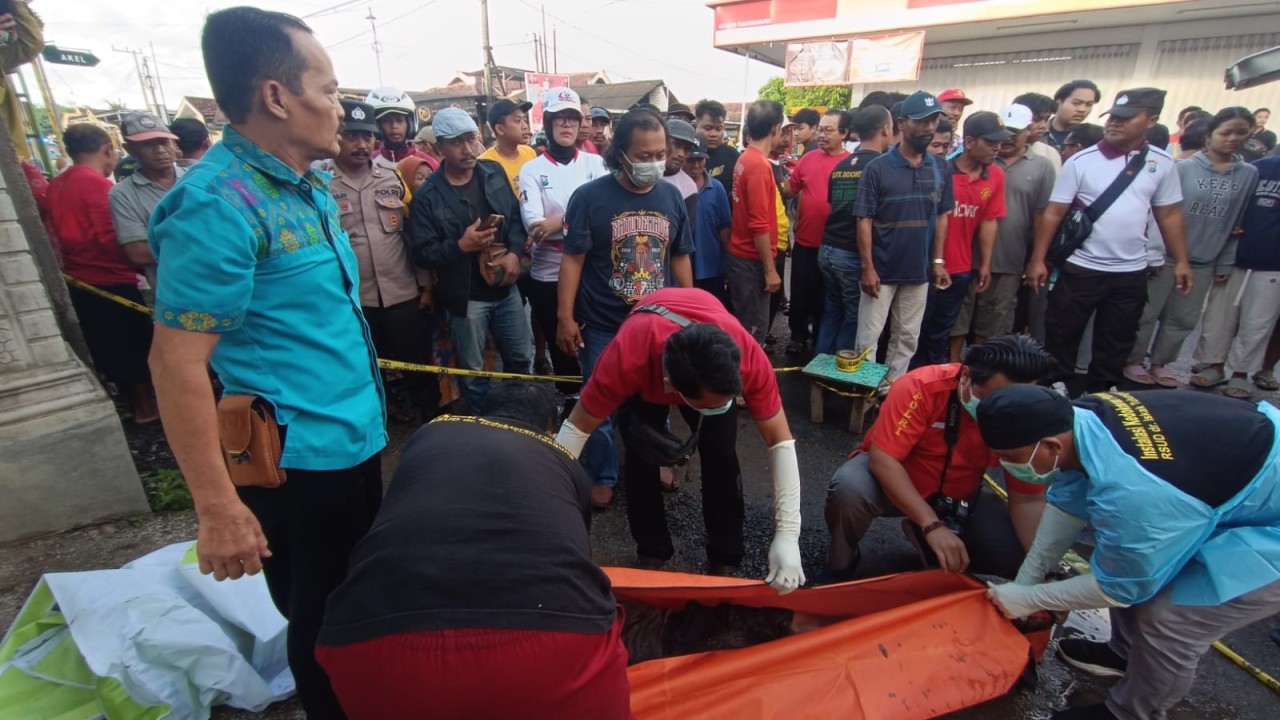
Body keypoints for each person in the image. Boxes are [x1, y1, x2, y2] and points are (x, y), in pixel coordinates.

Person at [147, 9, 387, 718]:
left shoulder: (305, 184)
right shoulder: (216, 205)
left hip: (354, 438)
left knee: (358, 606)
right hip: (300, 463)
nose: (340, 107)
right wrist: (217, 506)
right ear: (277, 96)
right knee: (321, 626)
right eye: (329, 88)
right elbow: (176, 364)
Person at [317, 382, 632, 720]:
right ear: (551, 430)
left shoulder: (428, 436)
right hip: (550, 641)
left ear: (481, 415)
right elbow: (574, 556)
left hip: (368, 642)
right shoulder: (563, 462)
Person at [978, 385, 1280, 720]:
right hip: (1227, 482)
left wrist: (1034, 598)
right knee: (1121, 555)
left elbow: (1121, 587)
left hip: (1266, 520)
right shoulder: (1080, 419)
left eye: (1010, 456)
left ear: (1050, 446)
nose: (1002, 464)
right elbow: (1068, 506)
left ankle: (1133, 711)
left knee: (1171, 618)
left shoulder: (1136, 495)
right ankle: (1123, 655)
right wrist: (1026, 582)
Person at [557, 287, 804, 589]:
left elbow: (780, 441)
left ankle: (725, 556)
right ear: (670, 386)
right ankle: (652, 551)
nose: (721, 406)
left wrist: (788, 535)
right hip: (649, 359)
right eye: (710, 404)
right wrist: (549, 516)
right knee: (641, 455)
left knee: (722, 458)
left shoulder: (746, 354)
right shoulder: (628, 355)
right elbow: (575, 430)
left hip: (700, 347)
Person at [823, 335, 1051, 582]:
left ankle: (936, 549)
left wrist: (1041, 571)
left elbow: (1028, 499)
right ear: (965, 376)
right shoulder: (920, 386)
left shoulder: (1026, 417)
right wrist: (930, 524)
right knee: (849, 489)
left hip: (959, 495)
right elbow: (883, 459)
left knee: (1011, 554)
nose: (1004, 412)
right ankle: (840, 566)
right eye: (994, 401)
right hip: (893, 482)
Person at [556, 106, 695, 509]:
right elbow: (573, 260)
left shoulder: (672, 195)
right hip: (603, 324)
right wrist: (565, 318)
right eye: (643, 155)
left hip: (659, 323)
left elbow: (681, 256)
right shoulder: (588, 198)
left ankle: (656, 460)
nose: (653, 163)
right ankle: (602, 473)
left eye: (659, 154)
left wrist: (690, 313)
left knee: (659, 396)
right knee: (598, 401)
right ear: (620, 154)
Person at [1024, 87, 1191, 395]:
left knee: (1117, 337)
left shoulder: (1161, 164)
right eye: (1113, 117)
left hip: (1130, 270)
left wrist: (1180, 259)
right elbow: (1054, 212)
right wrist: (1039, 258)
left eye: (1126, 118)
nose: (1115, 123)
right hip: (1082, 267)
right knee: (1062, 331)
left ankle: (1103, 392)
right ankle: (1057, 385)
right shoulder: (1082, 161)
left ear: (1151, 120)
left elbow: (1168, 214)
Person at [321, 99, 441, 423]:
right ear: (336, 135)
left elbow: (410, 236)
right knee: (364, 364)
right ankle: (378, 417)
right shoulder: (320, 182)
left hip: (401, 291)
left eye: (367, 136)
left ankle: (429, 419)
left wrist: (425, 286)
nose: (362, 144)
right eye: (352, 136)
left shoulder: (392, 177)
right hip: (355, 298)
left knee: (417, 361)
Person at [409, 107, 532, 414]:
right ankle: (482, 428)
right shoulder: (428, 195)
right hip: (465, 298)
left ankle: (523, 418)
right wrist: (460, 245)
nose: (468, 149)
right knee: (474, 371)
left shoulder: (492, 172)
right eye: (457, 142)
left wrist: (516, 253)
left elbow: (516, 219)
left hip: (505, 286)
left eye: (471, 139)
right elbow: (422, 252)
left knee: (520, 359)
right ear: (440, 148)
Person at [1127, 107, 1258, 390]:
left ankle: (1161, 363)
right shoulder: (1183, 168)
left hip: (1205, 260)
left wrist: (1224, 262)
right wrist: (1154, 253)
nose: (1232, 139)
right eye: (1226, 133)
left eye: (1241, 133)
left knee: (1182, 319)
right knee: (1147, 313)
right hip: (1167, 256)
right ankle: (1133, 360)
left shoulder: (1248, 174)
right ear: (1209, 136)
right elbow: (1161, 213)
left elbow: (1237, 221)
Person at [48, 123, 157, 423]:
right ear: (108, 150)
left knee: (108, 346)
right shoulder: (99, 187)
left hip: (80, 278)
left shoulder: (56, 184)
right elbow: (113, 239)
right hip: (110, 278)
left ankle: (135, 407)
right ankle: (146, 409)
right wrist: (142, 266)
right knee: (134, 345)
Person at [518, 87, 610, 397]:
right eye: (560, 119)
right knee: (563, 351)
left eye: (573, 118)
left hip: (592, 273)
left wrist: (559, 221)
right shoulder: (531, 169)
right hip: (548, 275)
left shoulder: (596, 165)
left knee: (596, 345)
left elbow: (607, 218)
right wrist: (581, 218)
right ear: (548, 124)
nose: (567, 125)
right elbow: (535, 226)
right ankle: (569, 411)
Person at [855, 91, 954, 379]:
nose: (928, 127)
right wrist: (868, 267)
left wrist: (937, 262)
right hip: (882, 271)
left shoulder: (939, 167)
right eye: (921, 121)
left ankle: (891, 393)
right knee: (868, 338)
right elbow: (864, 220)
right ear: (902, 123)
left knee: (907, 337)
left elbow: (942, 215)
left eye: (934, 120)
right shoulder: (877, 167)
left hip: (919, 272)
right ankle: (866, 394)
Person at [914, 111, 1008, 367]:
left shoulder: (997, 176)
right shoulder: (941, 171)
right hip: (925, 266)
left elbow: (989, 221)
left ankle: (931, 381)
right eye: (990, 142)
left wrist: (985, 264)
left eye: (999, 142)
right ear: (969, 142)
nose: (997, 148)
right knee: (915, 328)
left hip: (961, 269)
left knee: (942, 330)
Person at [965, 104, 1054, 346]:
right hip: (967, 257)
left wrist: (1037, 258)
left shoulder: (1042, 166)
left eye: (1016, 131)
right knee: (961, 321)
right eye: (1005, 131)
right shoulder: (979, 162)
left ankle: (982, 372)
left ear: (1029, 131)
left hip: (1010, 259)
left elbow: (1042, 216)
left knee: (994, 322)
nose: (1009, 138)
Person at [1192, 151, 1280, 396]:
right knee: (1218, 315)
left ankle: (1241, 373)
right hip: (1235, 255)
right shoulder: (1259, 168)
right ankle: (1215, 365)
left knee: (1258, 322)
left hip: (1274, 264)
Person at [815, 106, 891, 356]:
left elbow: (833, 205)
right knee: (852, 316)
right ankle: (838, 375)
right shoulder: (881, 167)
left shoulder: (842, 165)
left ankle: (819, 365)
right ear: (886, 130)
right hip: (850, 253)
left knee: (832, 310)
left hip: (827, 249)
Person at [781, 109, 850, 356]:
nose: (821, 135)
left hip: (834, 245)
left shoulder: (850, 163)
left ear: (844, 133)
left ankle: (822, 337)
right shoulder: (808, 160)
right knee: (800, 291)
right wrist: (776, 176)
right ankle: (797, 336)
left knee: (826, 296)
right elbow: (789, 190)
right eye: (820, 129)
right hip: (804, 241)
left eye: (828, 130)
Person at [725, 100, 784, 343]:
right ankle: (748, 380)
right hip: (751, 261)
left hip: (742, 257)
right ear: (775, 128)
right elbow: (759, 223)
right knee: (753, 334)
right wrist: (770, 270)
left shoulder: (746, 158)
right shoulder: (758, 165)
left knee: (745, 328)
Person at [109, 111, 184, 289]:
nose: (160, 150)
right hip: (176, 294)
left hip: (227, 285)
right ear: (130, 149)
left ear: (173, 143)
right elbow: (138, 253)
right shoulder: (122, 194)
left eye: (164, 142)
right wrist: (205, 243)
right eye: (147, 144)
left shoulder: (199, 178)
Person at [686, 138, 732, 305]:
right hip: (684, 267)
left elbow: (724, 228)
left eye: (700, 160)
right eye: (691, 160)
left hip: (712, 266)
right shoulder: (675, 188)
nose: (696, 165)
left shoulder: (717, 188)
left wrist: (728, 262)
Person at [478, 98, 536, 193]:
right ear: (500, 129)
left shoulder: (529, 152)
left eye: (524, 119)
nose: (525, 126)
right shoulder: (484, 164)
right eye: (517, 120)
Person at [367, 86, 430, 164]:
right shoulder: (369, 162)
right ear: (377, 125)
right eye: (386, 121)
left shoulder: (428, 164)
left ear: (410, 123)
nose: (394, 126)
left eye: (400, 120)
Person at [696, 99, 739, 199]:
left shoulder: (733, 156)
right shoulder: (687, 154)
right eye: (707, 128)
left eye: (719, 129)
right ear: (696, 126)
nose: (713, 134)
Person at [663, 118, 701, 228]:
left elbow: (685, 235)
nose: (681, 154)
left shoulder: (688, 187)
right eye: (676, 145)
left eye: (686, 149)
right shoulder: (643, 174)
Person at [1045, 79, 1101, 152]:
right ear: (1059, 101)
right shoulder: (1036, 132)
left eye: (1089, 104)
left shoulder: (1094, 139)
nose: (1082, 109)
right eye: (1076, 103)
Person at [1015, 92, 1063, 173]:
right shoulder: (996, 149)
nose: (1043, 125)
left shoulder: (1050, 154)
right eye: (1036, 119)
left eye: (1046, 119)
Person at [936, 88, 973, 154]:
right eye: (952, 107)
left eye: (961, 109)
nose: (957, 113)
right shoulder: (924, 135)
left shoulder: (959, 143)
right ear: (938, 107)